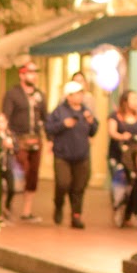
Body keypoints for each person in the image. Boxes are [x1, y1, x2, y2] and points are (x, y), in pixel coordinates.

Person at [0, 59, 48, 221]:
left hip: (36, 138)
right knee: (21, 171)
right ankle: (7, 205)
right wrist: (7, 137)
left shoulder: (40, 95)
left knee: (33, 175)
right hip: (18, 139)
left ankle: (26, 211)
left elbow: (45, 117)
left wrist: (49, 140)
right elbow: (5, 116)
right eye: (30, 72)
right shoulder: (13, 94)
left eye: (35, 72)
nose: (33, 76)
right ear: (22, 75)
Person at [45, 80, 97, 228]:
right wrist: (63, 124)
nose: (80, 97)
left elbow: (94, 131)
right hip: (63, 154)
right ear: (69, 96)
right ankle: (59, 204)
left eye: (81, 93)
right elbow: (49, 128)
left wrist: (92, 122)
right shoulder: (59, 111)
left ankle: (76, 215)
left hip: (82, 154)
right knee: (63, 182)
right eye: (76, 94)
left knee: (79, 187)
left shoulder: (86, 111)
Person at [106, 89, 137, 229]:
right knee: (120, 186)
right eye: (133, 99)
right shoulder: (115, 116)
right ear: (125, 101)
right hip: (118, 157)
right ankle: (119, 210)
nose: (136, 102)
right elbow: (111, 132)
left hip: (135, 158)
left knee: (133, 186)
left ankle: (128, 214)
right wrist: (122, 136)